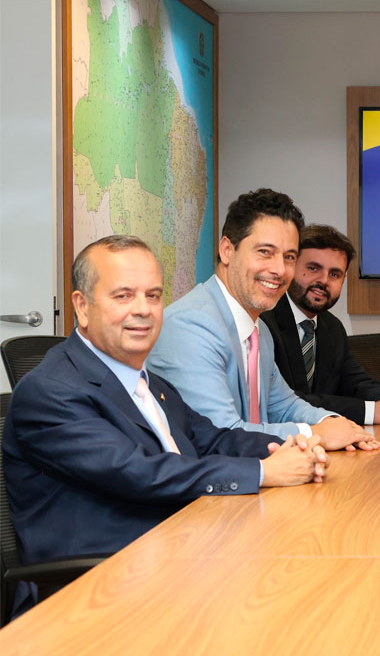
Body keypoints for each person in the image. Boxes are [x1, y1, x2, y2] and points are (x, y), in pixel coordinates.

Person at [1, 236, 340, 611]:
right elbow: (139, 472)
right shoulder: (49, 391)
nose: (143, 310)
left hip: (183, 552)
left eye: (153, 295)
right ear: (82, 306)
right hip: (97, 588)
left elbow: (213, 439)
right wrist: (263, 472)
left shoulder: (150, 383)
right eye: (123, 296)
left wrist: (293, 450)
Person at [149, 188, 380, 451]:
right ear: (227, 250)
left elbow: (283, 405)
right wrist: (314, 433)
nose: (279, 270)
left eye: (289, 257)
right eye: (264, 252)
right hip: (206, 487)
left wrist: (335, 423)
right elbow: (222, 435)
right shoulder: (190, 326)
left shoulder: (259, 330)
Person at [262, 225, 380, 424]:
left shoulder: (332, 327)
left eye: (335, 274)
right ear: (290, 266)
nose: (323, 281)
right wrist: (373, 411)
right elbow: (287, 402)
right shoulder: (263, 321)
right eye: (313, 268)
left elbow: (352, 380)